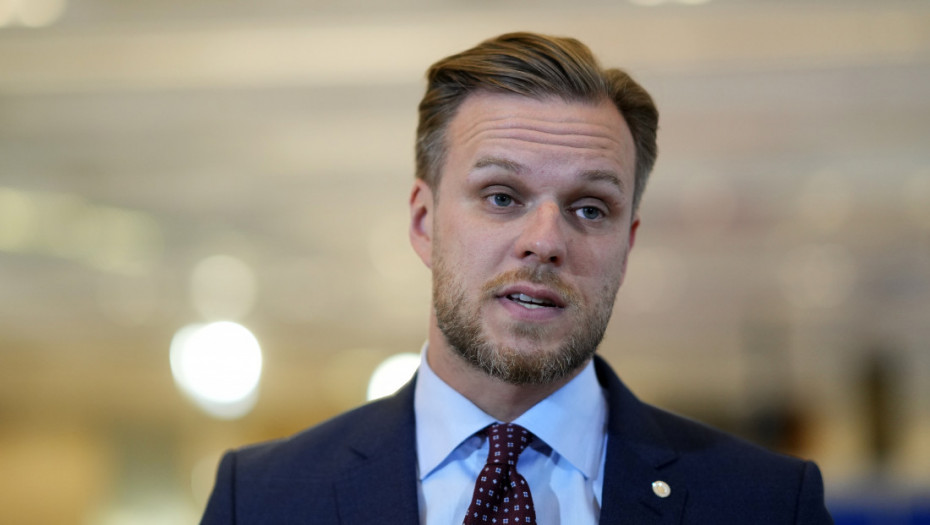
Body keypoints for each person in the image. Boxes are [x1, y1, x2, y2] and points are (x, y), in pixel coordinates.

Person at [201, 32, 833, 524]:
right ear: (423, 222)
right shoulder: (260, 500)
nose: (546, 241)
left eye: (591, 208)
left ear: (628, 244)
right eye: (502, 196)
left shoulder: (767, 506)